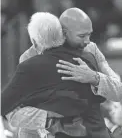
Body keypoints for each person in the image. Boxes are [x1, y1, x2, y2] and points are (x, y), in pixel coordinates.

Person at [1, 9, 120, 138]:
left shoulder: (91, 50)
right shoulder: (28, 58)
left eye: (89, 35)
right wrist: (50, 119)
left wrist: (94, 78)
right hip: (43, 130)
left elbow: (119, 91)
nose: (87, 41)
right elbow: (17, 108)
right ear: (63, 34)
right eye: (82, 36)